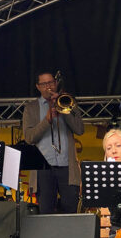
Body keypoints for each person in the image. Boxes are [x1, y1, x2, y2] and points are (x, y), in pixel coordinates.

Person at [22, 70, 84, 214]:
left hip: (67, 167)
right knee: (45, 212)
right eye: (44, 84)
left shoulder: (68, 102)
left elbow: (80, 129)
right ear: (38, 87)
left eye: (50, 82)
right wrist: (47, 120)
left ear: (56, 83)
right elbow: (29, 137)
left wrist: (65, 110)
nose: (48, 86)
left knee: (71, 211)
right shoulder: (31, 108)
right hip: (43, 168)